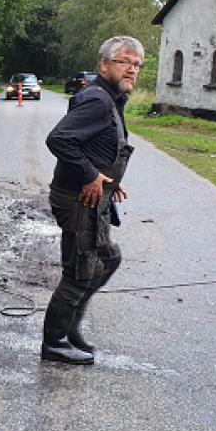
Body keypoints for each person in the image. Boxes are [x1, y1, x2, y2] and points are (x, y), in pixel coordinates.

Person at [41, 36, 143, 365]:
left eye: (137, 65)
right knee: (79, 272)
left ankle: (71, 330)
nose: (132, 69)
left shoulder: (110, 98)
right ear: (104, 65)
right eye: (125, 62)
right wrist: (89, 175)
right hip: (78, 199)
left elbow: (94, 144)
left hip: (95, 198)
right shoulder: (98, 100)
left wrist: (110, 180)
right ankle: (54, 343)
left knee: (108, 258)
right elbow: (59, 139)